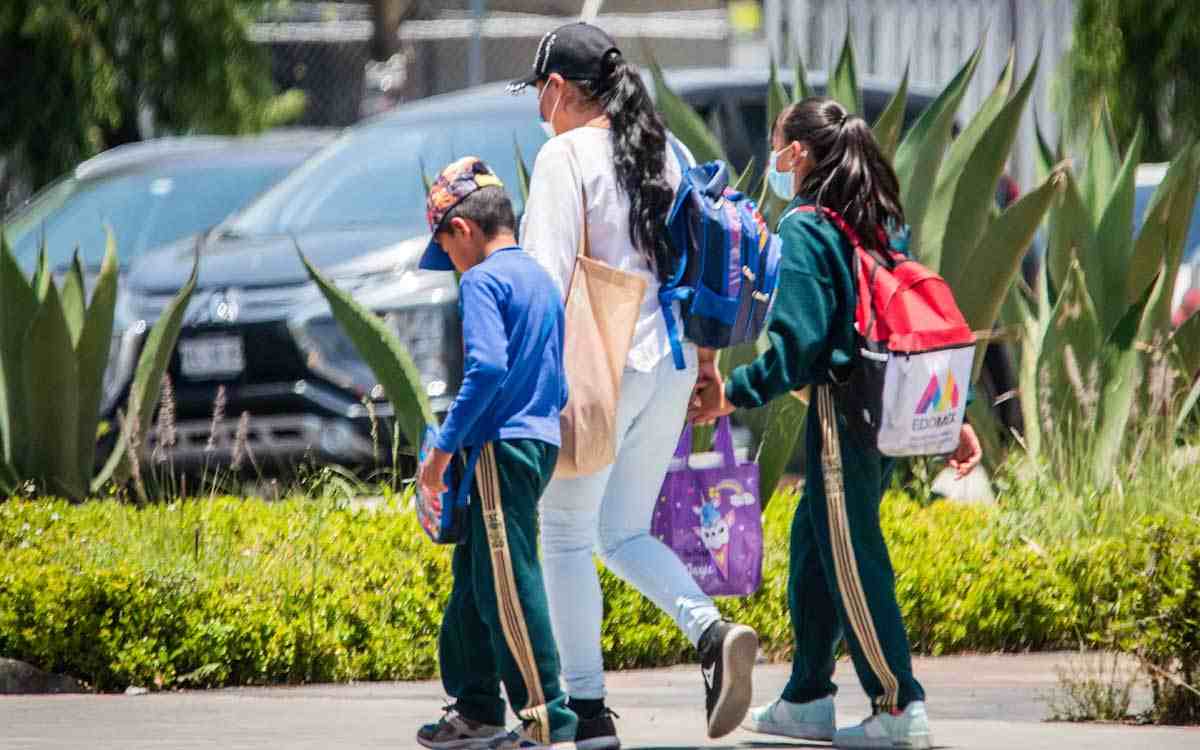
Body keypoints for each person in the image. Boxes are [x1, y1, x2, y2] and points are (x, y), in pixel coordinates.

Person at [690, 98, 983, 750]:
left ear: (796, 154)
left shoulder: (803, 229)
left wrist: (729, 394)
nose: (771, 158)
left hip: (839, 414)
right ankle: (807, 698)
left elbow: (797, 344)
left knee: (854, 554)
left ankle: (897, 706)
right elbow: (900, 322)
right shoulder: (868, 224)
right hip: (881, 410)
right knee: (816, 546)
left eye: (775, 145)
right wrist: (951, 417)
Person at [508, 21, 759, 747]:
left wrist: (523, 390)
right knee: (617, 531)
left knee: (563, 530)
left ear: (559, 90)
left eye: (540, 94)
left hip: (601, 360)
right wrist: (710, 364)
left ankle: (585, 712)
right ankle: (710, 631)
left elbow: (545, 281)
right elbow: (702, 257)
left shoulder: (564, 156)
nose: (538, 111)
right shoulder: (667, 149)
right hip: (674, 363)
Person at [415, 157, 576, 750]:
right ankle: (477, 708)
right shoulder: (540, 279)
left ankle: (546, 715)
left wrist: (444, 447)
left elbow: (485, 369)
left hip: (498, 445)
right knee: (476, 580)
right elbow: (557, 383)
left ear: (461, 230)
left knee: (508, 581)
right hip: (535, 441)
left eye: (445, 250)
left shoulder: (482, 281)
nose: (450, 266)